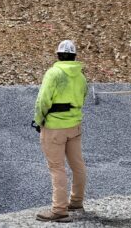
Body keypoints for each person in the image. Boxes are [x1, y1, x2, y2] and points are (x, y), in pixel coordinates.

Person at [33, 40, 87, 222]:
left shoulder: (54, 73)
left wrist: (38, 120)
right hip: (75, 126)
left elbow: (43, 100)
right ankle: (77, 201)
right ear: (74, 56)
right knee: (77, 165)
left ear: (58, 55)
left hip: (54, 127)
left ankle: (59, 210)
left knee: (57, 168)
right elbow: (83, 96)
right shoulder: (80, 76)